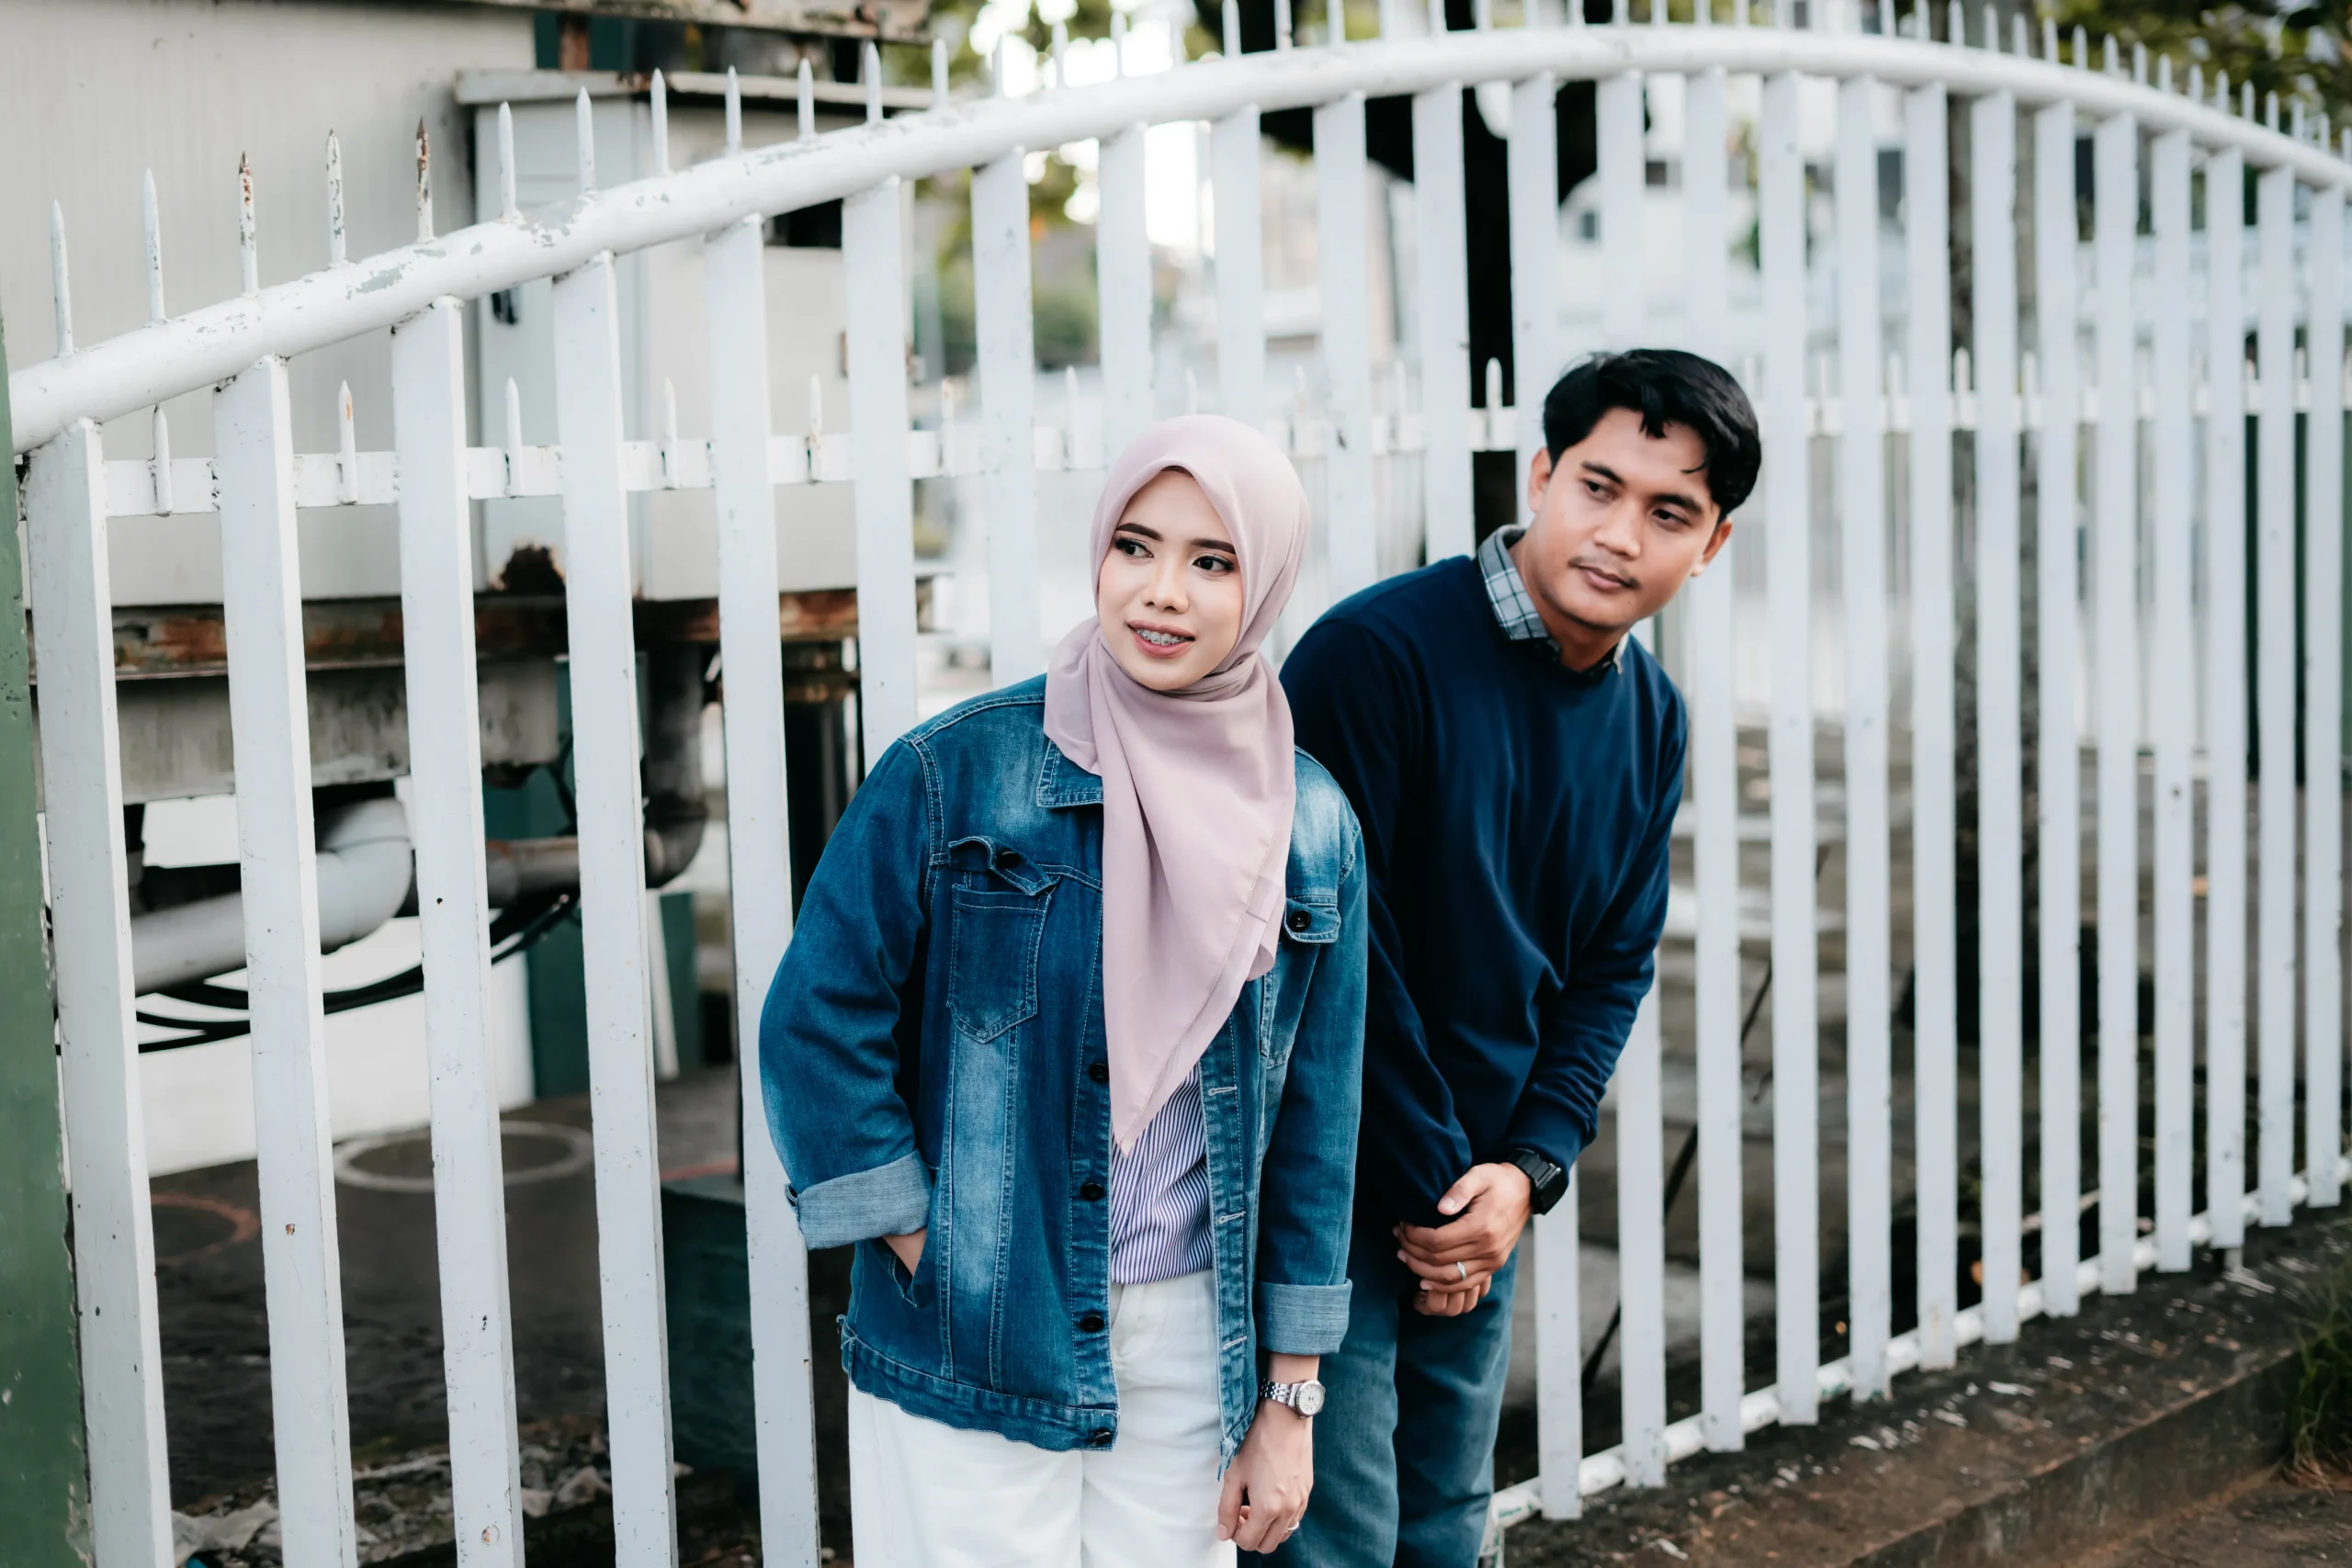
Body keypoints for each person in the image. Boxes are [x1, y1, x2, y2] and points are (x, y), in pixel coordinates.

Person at [761, 415, 1368, 1566]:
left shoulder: (1311, 826)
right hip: (979, 1321)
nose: (1161, 591)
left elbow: (1317, 1124)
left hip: (1194, 1336)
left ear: (1266, 583)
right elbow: (817, 1019)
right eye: (1135, 546)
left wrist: (1290, 1399)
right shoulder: (956, 773)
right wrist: (926, 1245)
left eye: (1212, 561)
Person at [1272, 350, 1760, 1567]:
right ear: (1541, 474)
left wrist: (1526, 1170)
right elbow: (1325, 953)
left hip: (1479, 1195)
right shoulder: (1372, 656)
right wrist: (1445, 1190)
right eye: (1597, 486)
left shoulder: (1651, 719)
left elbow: (1611, 966)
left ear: (1711, 543)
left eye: (1670, 512)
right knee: (1331, 1532)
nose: (1620, 535)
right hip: (1324, 1185)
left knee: (1445, 1523)